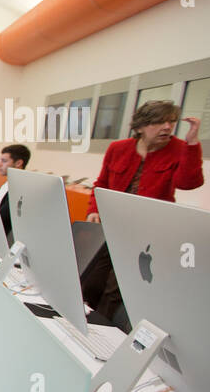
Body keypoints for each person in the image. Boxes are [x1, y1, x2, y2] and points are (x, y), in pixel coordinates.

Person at [81, 101, 203, 324]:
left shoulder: (179, 149)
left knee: (116, 289)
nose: (167, 127)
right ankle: (78, 321)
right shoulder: (118, 148)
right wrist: (94, 209)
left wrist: (192, 144)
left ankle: (102, 330)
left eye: (171, 121)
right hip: (111, 225)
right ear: (140, 126)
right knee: (91, 279)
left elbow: (188, 183)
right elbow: (102, 183)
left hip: (146, 232)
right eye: (159, 122)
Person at [0, 143, 30, 239]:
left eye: (4, 161)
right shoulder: (7, 185)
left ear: (18, 163)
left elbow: (2, 220)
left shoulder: (20, 189)